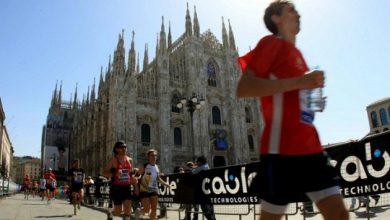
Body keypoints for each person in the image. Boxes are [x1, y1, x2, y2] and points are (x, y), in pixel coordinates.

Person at [236, 1, 349, 220]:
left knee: (338, 214)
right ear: (276, 18)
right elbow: (244, 88)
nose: (297, 13)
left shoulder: (298, 55)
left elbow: (293, 96)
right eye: (290, 9)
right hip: (282, 150)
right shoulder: (270, 44)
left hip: (311, 148)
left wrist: (311, 96)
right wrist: (300, 82)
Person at [103, 141, 138, 220]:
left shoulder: (130, 160)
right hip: (117, 188)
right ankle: (111, 213)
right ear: (117, 149)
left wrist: (135, 183)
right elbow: (104, 172)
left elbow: (131, 173)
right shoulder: (114, 160)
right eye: (122, 147)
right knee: (118, 212)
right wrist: (115, 173)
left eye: (125, 147)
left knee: (128, 211)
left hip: (127, 187)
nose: (124, 149)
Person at [135, 149, 170, 220]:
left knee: (154, 209)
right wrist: (136, 187)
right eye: (152, 155)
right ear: (148, 157)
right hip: (144, 189)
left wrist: (165, 184)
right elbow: (136, 176)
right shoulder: (145, 166)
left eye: (155, 155)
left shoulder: (156, 167)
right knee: (147, 209)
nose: (154, 157)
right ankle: (139, 211)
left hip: (154, 189)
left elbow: (158, 178)